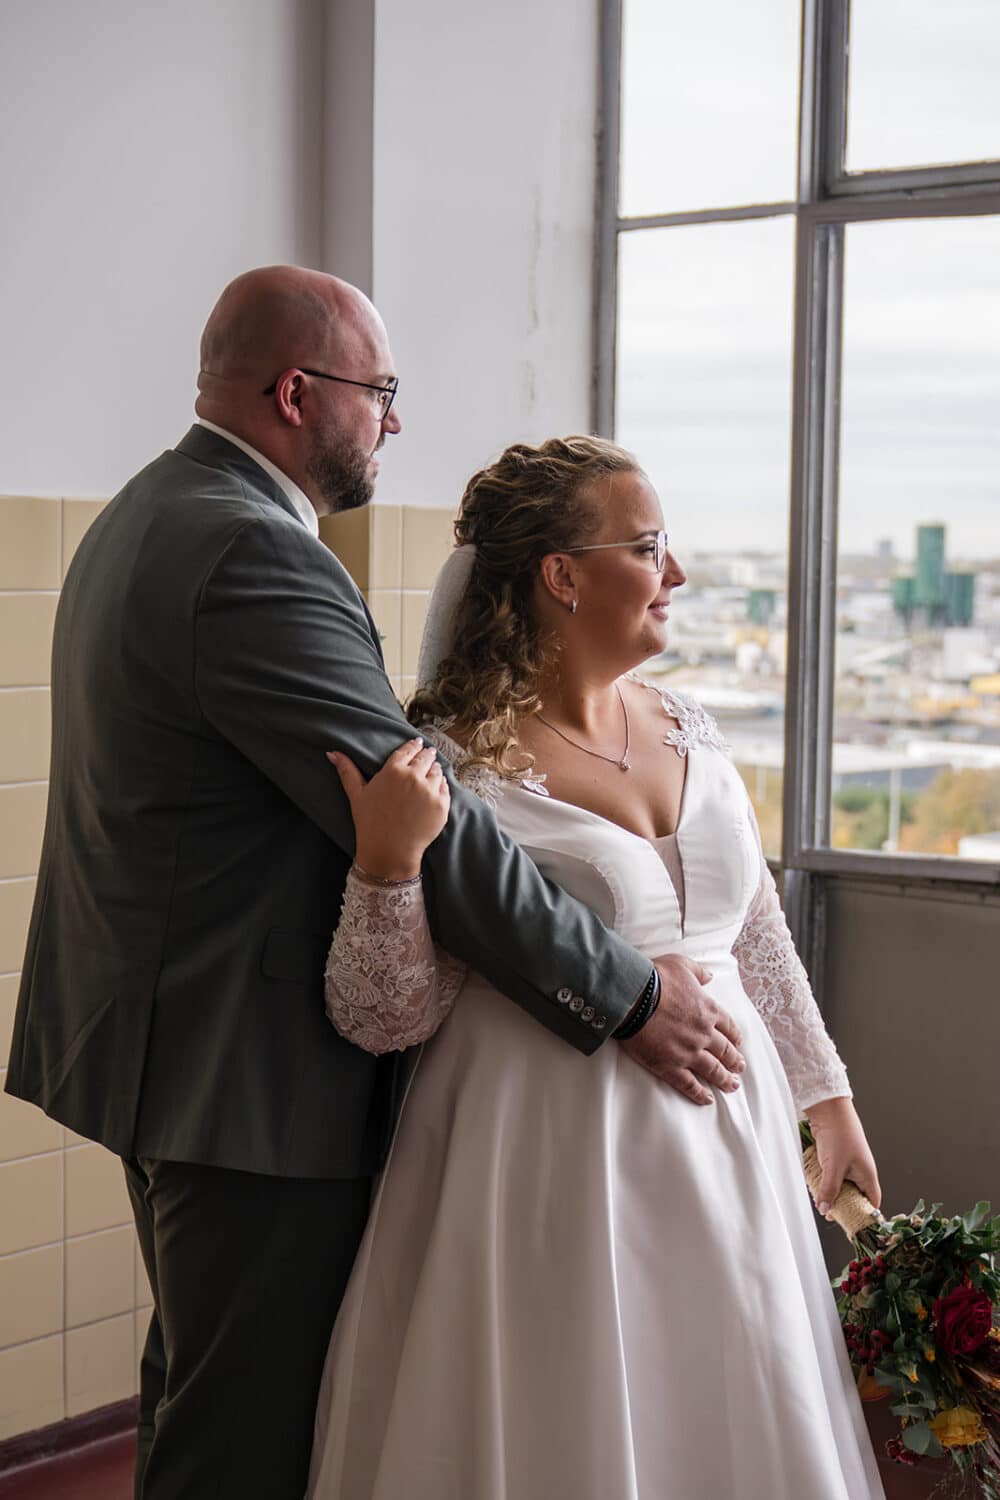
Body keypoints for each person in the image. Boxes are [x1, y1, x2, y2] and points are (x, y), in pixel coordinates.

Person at [4, 274, 744, 1500]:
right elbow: (426, 819)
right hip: (246, 1070)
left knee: (200, 1392)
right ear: (297, 393)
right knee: (249, 1434)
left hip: (166, 1040)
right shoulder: (252, 551)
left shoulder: (150, 509)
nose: (393, 421)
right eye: (380, 392)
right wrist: (628, 996)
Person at [308, 436, 886, 1499]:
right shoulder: (453, 763)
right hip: (549, 1156)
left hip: (732, 1146)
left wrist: (827, 1098)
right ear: (561, 575)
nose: (678, 573)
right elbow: (382, 1015)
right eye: (650, 547)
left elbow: (755, 930)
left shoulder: (691, 726)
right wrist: (386, 864)